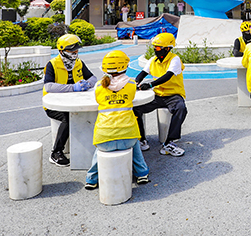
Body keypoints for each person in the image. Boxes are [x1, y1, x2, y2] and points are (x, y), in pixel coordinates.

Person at [84, 50, 150, 190]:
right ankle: (142, 174)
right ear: (125, 66)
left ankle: (91, 179)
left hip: (104, 138)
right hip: (128, 137)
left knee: (98, 153)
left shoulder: (99, 86)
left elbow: (97, 99)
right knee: (136, 147)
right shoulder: (131, 84)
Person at [43, 34, 96, 167]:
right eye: (72, 52)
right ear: (62, 51)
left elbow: (93, 78)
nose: (75, 54)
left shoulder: (78, 63)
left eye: (76, 51)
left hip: (75, 102)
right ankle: (56, 153)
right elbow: (48, 86)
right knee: (69, 116)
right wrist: (73, 87)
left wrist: (87, 84)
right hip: (55, 106)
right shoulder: (52, 64)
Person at [133, 33, 187, 157]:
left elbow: (167, 76)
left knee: (181, 109)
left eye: (157, 48)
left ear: (167, 48)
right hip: (157, 95)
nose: (155, 50)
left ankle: (170, 142)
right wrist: (136, 83)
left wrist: (151, 84)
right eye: (154, 47)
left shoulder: (175, 59)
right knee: (135, 108)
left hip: (173, 95)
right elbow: (142, 73)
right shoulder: (153, 60)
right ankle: (142, 140)